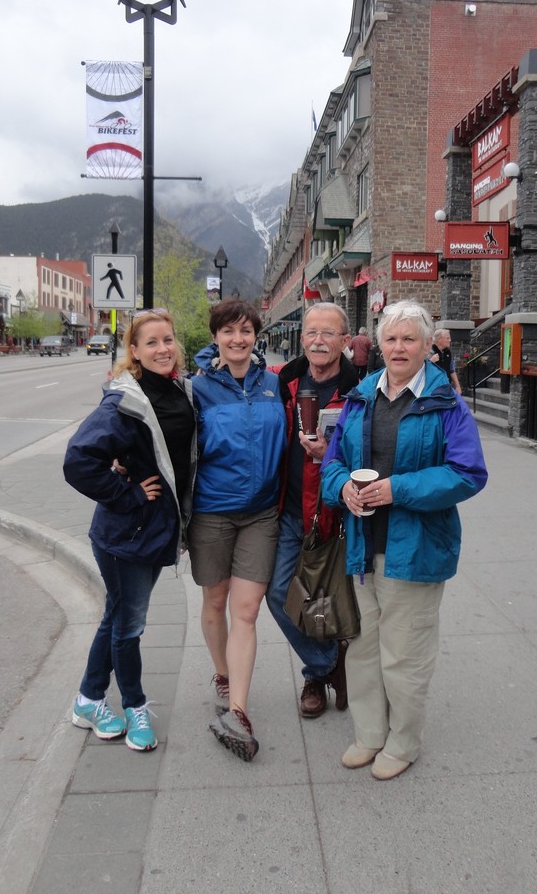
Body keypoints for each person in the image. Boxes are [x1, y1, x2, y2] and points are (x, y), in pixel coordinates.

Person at [321, 300, 487, 781]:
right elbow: (333, 462)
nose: (398, 347)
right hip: (361, 545)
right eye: (390, 339)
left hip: (415, 548)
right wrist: (344, 489)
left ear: (426, 346)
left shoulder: (445, 402)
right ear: (378, 344)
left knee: (405, 653)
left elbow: (467, 473)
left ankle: (404, 741)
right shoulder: (360, 397)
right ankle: (370, 733)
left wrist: (398, 489)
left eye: (409, 339)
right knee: (364, 647)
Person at [63, 309, 196, 752]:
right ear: (134, 351)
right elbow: (79, 460)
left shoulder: (178, 389)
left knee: (117, 617)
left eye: (168, 340)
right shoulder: (126, 400)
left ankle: (87, 699)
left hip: (152, 532)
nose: (163, 349)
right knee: (128, 626)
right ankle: (134, 707)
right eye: (152, 342)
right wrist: (129, 493)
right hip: (126, 535)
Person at [188, 299, 287, 761]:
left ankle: (239, 711)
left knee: (245, 611)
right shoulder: (198, 390)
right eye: (228, 332)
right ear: (215, 338)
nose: (237, 339)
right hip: (212, 512)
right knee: (215, 600)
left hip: (262, 513)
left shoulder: (274, 385)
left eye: (245, 331)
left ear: (256, 336)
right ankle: (222, 673)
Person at [266, 302, 359, 719]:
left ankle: (316, 677)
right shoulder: (282, 381)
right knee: (280, 594)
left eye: (328, 333)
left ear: (345, 340)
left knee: (332, 600)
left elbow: (377, 451)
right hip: (289, 511)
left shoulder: (362, 390)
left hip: (337, 513)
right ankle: (325, 664)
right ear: (301, 338)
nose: (319, 340)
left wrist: (330, 456)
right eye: (311, 332)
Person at [430, 328, 462, 394]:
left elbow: (452, 370)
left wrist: (458, 386)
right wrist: (431, 361)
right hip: (433, 389)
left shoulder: (448, 353)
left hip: (446, 387)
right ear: (439, 339)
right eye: (447, 338)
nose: (450, 340)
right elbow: (421, 370)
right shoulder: (429, 352)